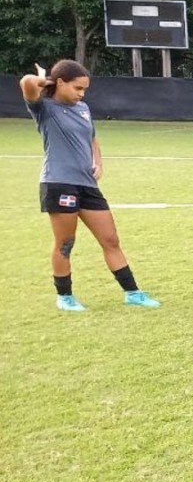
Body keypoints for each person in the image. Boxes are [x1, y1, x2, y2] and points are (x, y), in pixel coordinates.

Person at [19, 61, 161, 311]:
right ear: (59, 83)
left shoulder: (83, 108)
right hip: (59, 183)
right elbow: (26, 83)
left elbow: (92, 138)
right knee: (66, 243)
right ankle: (64, 297)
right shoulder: (44, 108)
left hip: (87, 185)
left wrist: (99, 162)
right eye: (77, 88)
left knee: (110, 239)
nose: (82, 94)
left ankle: (133, 293)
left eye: (85, 89)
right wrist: (47, 81)